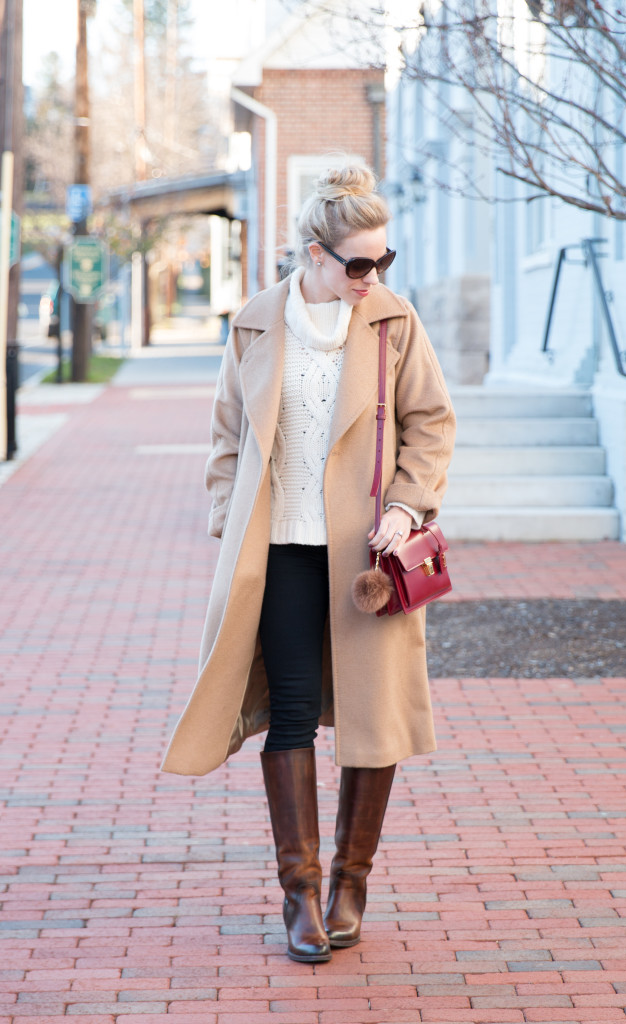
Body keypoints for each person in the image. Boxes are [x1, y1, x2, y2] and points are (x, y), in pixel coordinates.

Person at [161, 163, 456, 963]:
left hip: (367, 553)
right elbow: (227, 434)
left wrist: (404, 504)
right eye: (357, 263)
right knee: (289, 712)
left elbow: (430, 423)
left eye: (382, 261)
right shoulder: (257, 322)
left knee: (372, 717)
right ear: (313, 254)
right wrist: (229, 525)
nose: (372, 277)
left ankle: (349, 882)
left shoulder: (394, 324)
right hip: (280, 549)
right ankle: (299, 894)